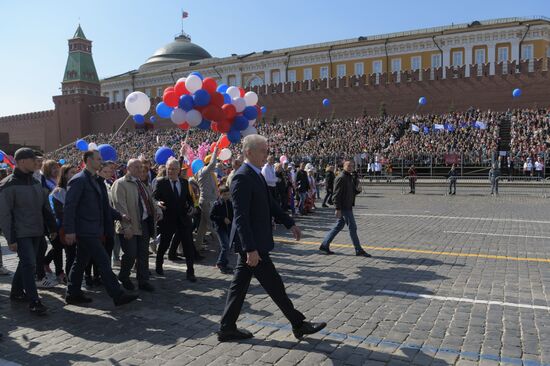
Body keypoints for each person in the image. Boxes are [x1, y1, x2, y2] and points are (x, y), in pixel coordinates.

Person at [218, 134, 326, 342]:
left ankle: (227, 328)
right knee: (274, 286)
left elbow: (271, 204)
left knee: (242, 288)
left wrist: (289, 223)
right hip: (253, 246)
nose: (267, 154)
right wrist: (249, 248)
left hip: (255, 244)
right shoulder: (242, 176)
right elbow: (240, 217)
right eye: (262, 150)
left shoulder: (256, 174)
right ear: (249, 152)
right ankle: (298, 324)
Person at [63, 150, 138, 307]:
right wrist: (69, 230)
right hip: (85, 229)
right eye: (98, 159)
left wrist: (119, 216)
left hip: (95, 229)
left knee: (80, 261)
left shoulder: (96, 180)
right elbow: (69, 207)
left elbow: (104, 206)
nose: (101, 162)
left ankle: (72, 293)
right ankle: (117, 294)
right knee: (103, 260)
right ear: (88, 160)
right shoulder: (79, 180)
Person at [0, 148, 58, 314]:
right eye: (33, 160)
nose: (36, 163)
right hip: (21, 232)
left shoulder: (35, 182)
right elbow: (4, 215)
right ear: (22, 161)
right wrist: (11, 238)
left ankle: (16, 292)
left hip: (37, 230)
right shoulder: (7, 185)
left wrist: (51, 227)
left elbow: (45, 207)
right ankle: (34, 301)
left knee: (26, 263)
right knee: (29, 264)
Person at [111, 159, 160, 292]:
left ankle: (143, 281)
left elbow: (150, 201)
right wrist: (126, 226)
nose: (140, 169)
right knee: (131, 253)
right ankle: (124, 276)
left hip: (143, 223)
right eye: (137, 167)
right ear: (129, 168)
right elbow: (119, 207)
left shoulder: (142, 184)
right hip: (129, 225)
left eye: (141, 167)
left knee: (143, 254)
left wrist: (158, 210)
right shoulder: (120, 183)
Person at [154, 158, 196, 281]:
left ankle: (190, 272)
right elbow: (154, 197)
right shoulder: (161, 182)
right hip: (168, 219)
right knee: (164, 244)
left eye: (174, 169)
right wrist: (158, 203)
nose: (171, 171)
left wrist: (191, 207)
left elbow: (189, 199)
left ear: (178, 170)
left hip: (183, 219)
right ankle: (158, 264)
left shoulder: (184, 182)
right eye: (169, 169)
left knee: (188, 245)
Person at [319, 160, 371, 257]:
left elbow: (351, 192)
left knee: (339, 226)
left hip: (347, 206)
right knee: (353, 228)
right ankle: (358, 249)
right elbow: (336, 195)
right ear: (344, 166)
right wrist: (337, 209)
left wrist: (358, 191)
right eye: (348, 165)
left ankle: (324, 245)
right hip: (344, 207)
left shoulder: (349, 177)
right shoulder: (341, 177)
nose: (350, 167)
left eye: (352, 165)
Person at [195, 146, 220, 252]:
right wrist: (215, 151)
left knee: (203, 227)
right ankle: (223, 246)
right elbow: (213, 164)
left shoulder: (208, 173)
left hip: (208, 201)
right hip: (206, 202)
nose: (216, 166)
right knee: (212, 225)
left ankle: (197, 246)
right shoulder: (204, 171)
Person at [210, 185, 234, 274]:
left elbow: (232, 214)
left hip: (228, 227)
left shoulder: (230, 203)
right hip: (220, 228)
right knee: (225, 246)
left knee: (227, 246)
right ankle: (220, 263)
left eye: (228, 194)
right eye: (224, 195)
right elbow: (211, 216)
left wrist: (230, 220)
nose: (226, 196)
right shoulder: (217, 204)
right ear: (220, 194)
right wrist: (222, 219)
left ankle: (225, 263)